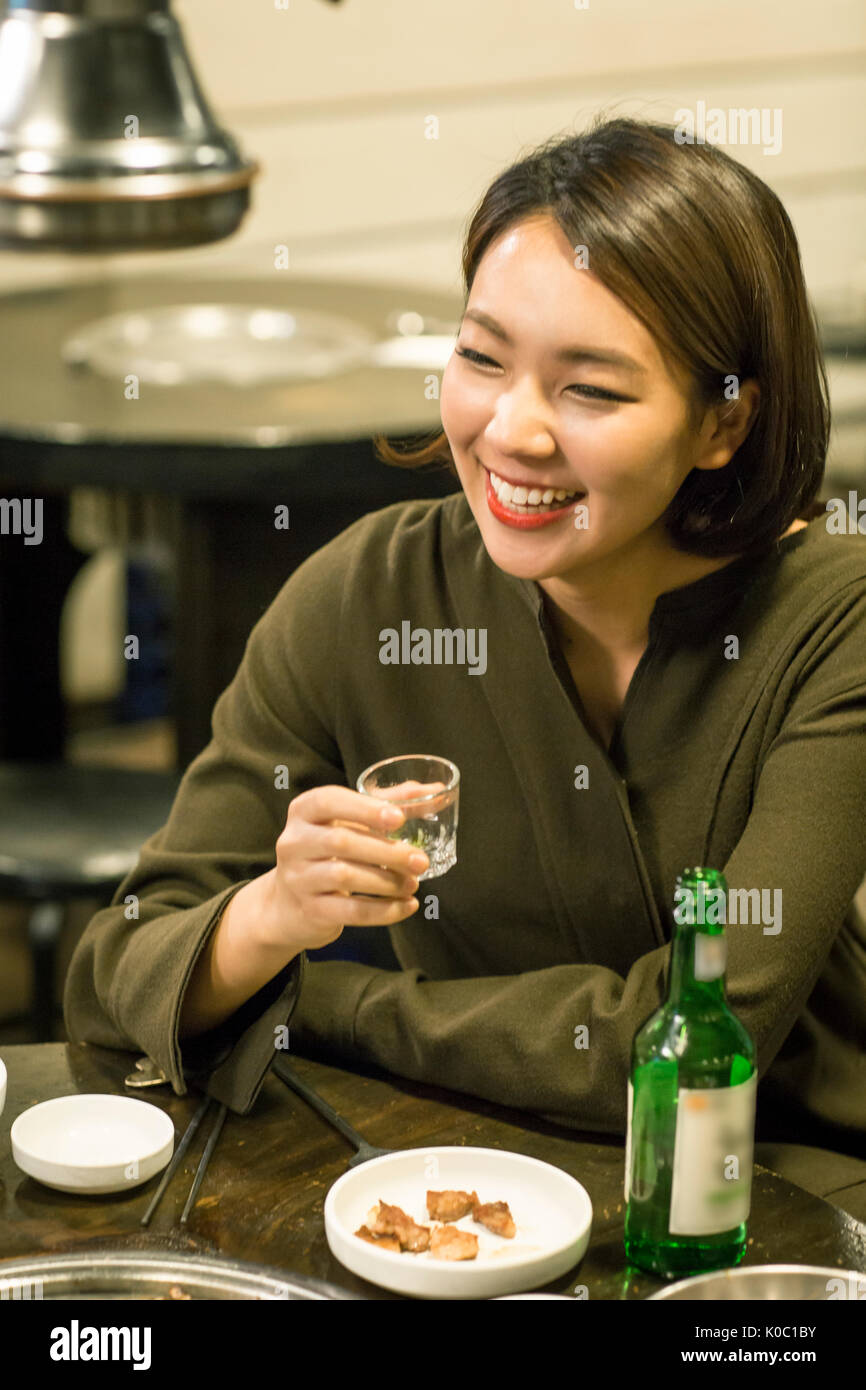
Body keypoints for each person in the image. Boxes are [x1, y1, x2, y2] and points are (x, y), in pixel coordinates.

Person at [64, 115, 866, 1219]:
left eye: (589, 389)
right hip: (463, 1169)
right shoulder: (370, 593)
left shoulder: (833, 623)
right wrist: (269, 917)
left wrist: (313, 1000)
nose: (510, 430)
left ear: (722, 421)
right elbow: (117, 978)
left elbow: (671, 1040)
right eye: (481, 357)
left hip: (776, 1194)